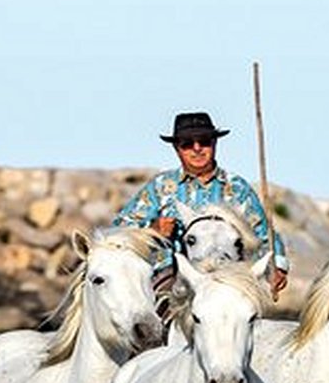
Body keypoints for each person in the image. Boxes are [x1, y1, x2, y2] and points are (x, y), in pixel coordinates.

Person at [114, 111, 289, 296]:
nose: (197, 148)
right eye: (187, 144)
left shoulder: (237, 188)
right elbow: (120, 231)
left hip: (227, 284)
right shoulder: (161, 187)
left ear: (214, 143)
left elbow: (264, 234)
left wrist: (278, 266)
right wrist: (153, 230)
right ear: (176, 148)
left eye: (204, 141)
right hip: (169, 287)